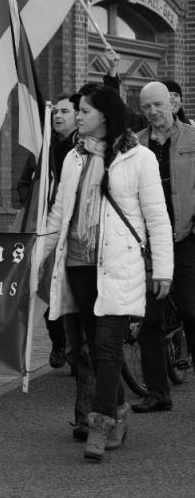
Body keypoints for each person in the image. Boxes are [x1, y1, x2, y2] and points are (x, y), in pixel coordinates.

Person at [42, 84, 173, 462]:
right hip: (79, 266)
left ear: (104, 114)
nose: (78, 116)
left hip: (119, 265)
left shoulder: (139, 158)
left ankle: (99, 426)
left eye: (84, 110)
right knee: (90, 346)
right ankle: (118, 412)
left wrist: (162, 268)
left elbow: (157, 218)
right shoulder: (73, 158)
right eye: (78, 111)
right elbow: (58, 216)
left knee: (106, 346)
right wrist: (35, 258)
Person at [131, 81, 195, 413]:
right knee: (149, 319)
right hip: (149, 244)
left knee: (190, 310)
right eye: (146, 107)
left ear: (171, 104)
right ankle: (158, 391)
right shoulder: (136, 144)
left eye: (158, 105)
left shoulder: (192, 139)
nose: (154, 112)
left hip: (185, 239)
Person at [17, 95, 78, 370]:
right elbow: (23, 185)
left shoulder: (82, 148)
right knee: (46, 286)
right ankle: (58, 341)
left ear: (78, 115)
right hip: (47, 227)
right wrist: (33, 204)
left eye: (65, 111)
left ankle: (79, 352)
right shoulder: (42, 149)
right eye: (55, 112)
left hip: (76, 228)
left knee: (75, 290)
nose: (58, 116)